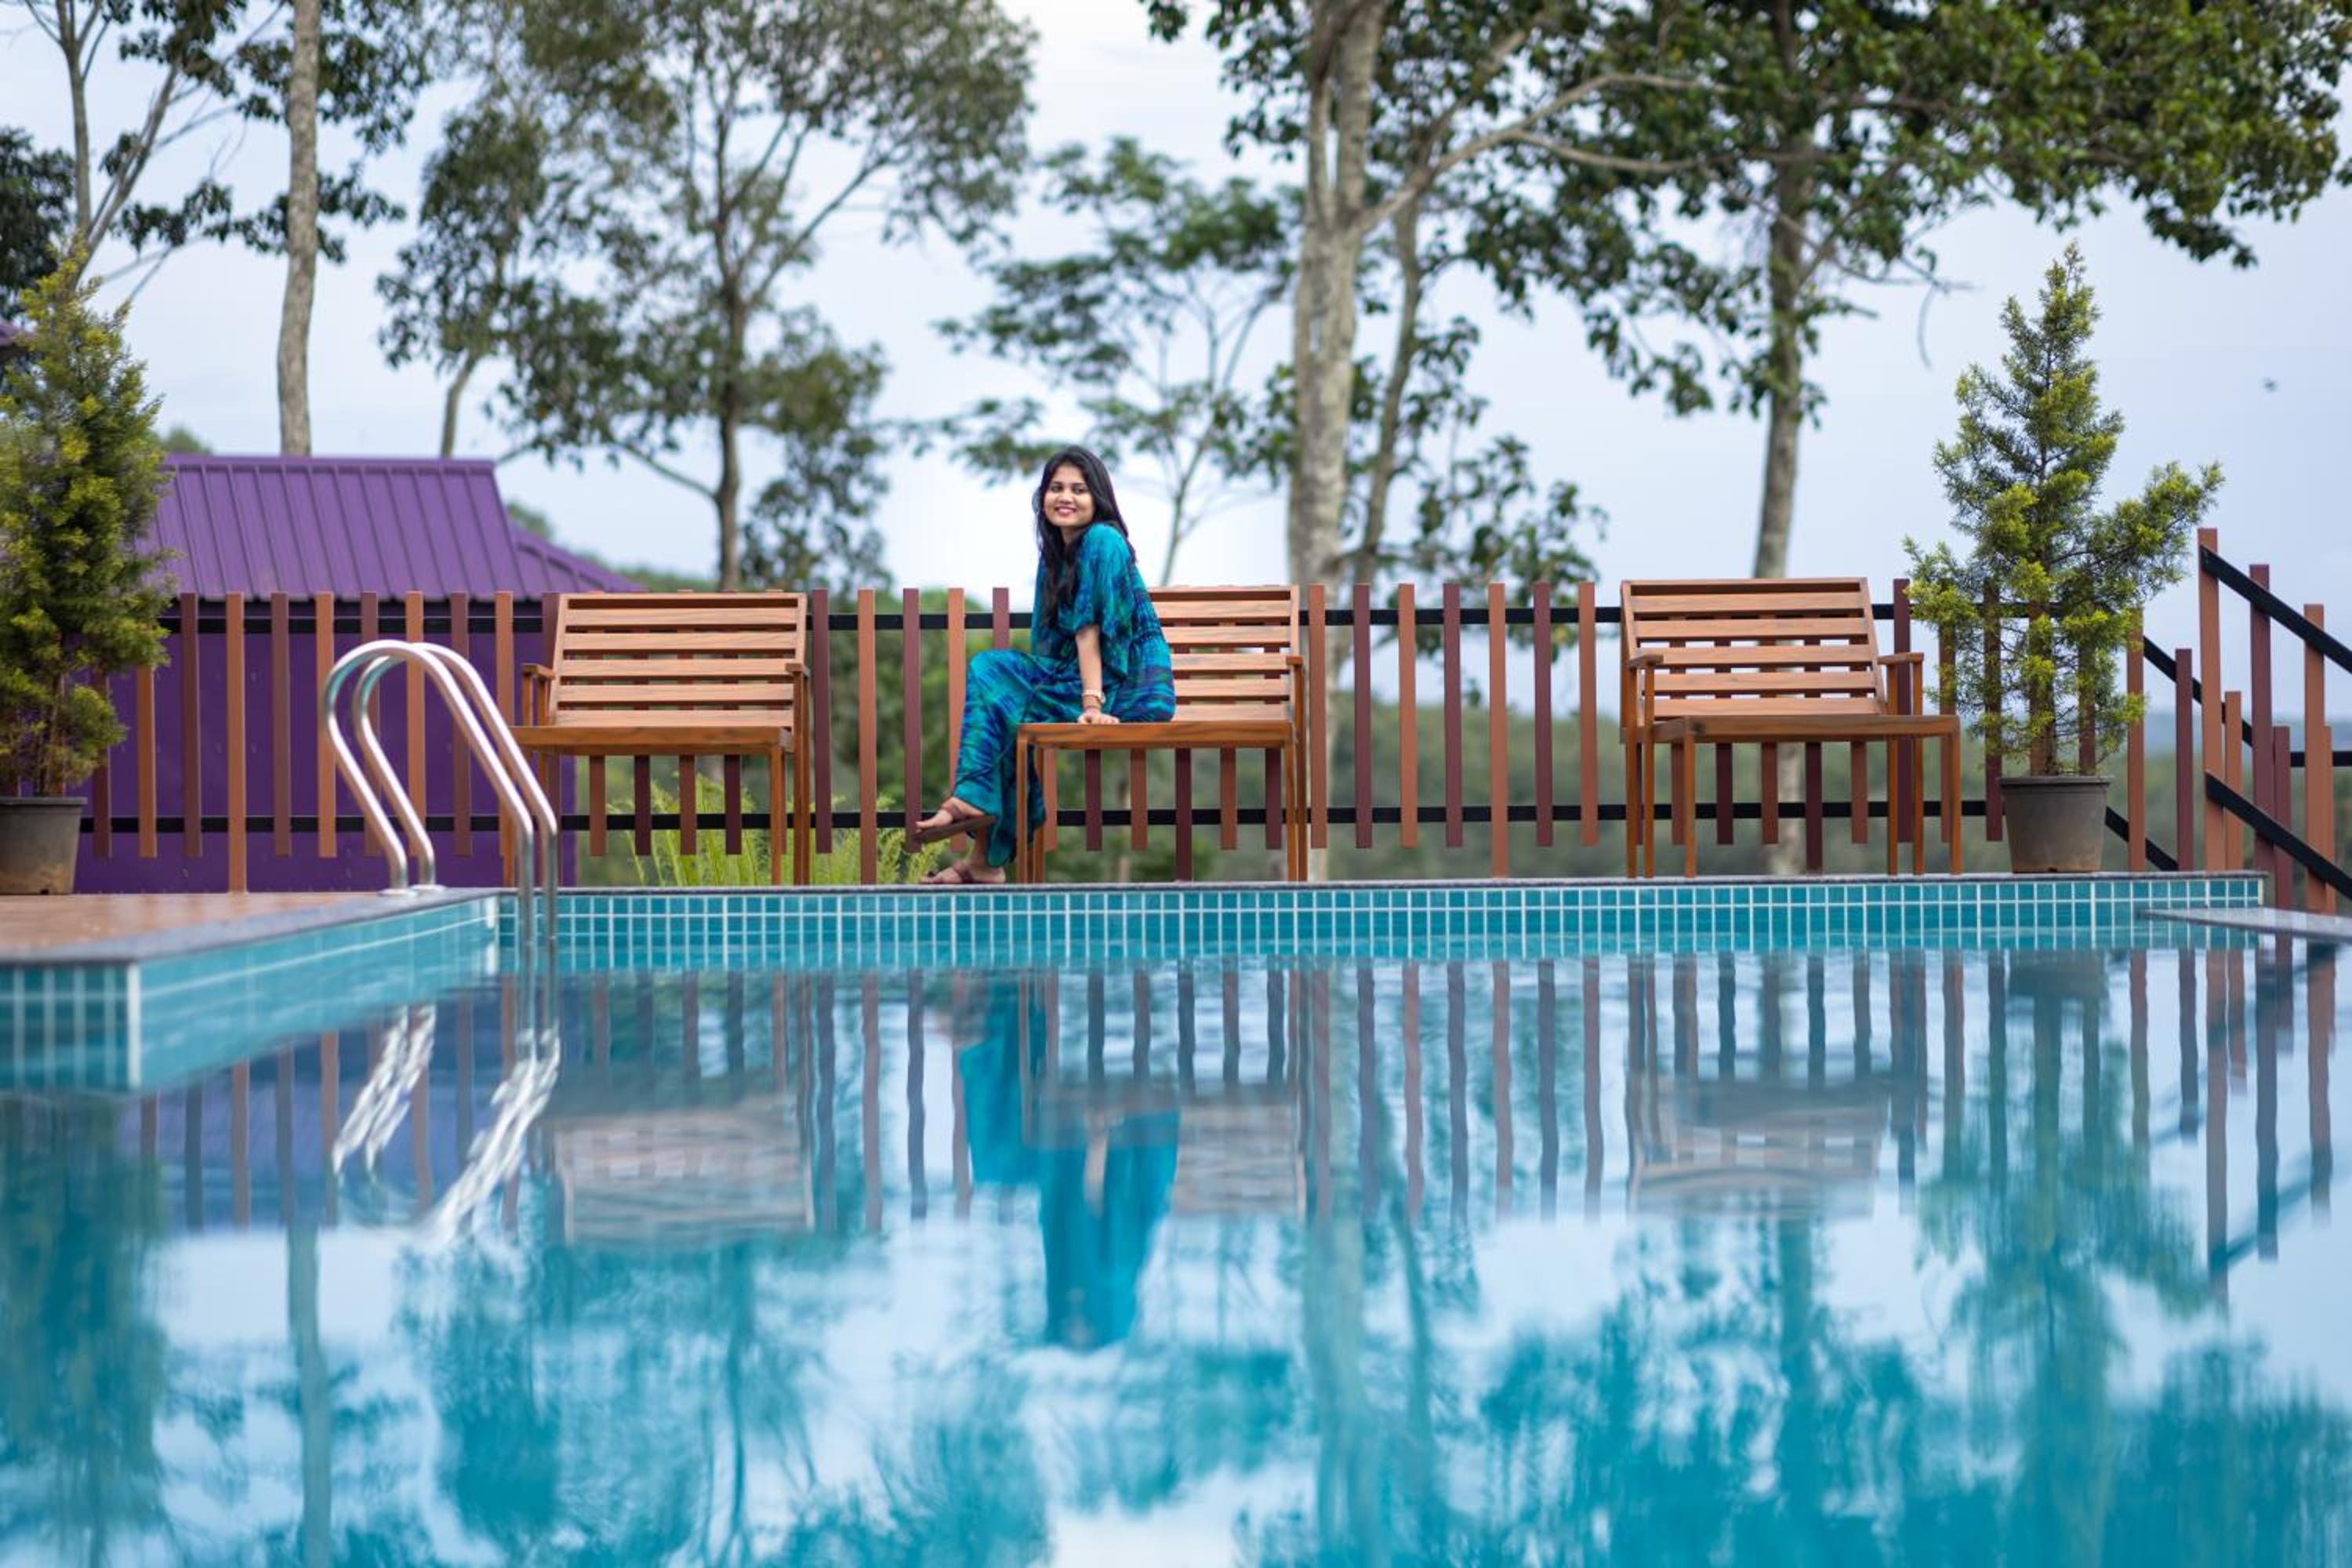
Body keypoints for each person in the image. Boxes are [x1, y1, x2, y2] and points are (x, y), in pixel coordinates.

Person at [914, 447, 1173, 883]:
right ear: (1043, 497)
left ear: (1098, 499)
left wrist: (1091, 704)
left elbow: (1091, 629)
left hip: (1129, 687)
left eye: (1079, 489)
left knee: (993, 677)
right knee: (995, 689)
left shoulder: (1103, 541)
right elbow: (1050, 647)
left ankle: (973, 816)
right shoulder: (1055, 555)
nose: (1065, 497)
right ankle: (982, 860)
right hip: (1077, 678)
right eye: (1056, 488)